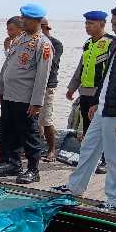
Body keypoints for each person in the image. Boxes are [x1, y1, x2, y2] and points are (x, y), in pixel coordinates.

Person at [53, 3, 116, 212]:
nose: (114, 28)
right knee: (89, 148)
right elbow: (108, 77)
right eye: (113, 24)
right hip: (104, 108)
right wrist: (98, 102)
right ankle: (75, 187)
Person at [0, 3, 53, 184]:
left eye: (26, 19)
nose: (23, 21)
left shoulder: (43, 44)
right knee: (8, 131)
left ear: (37, 21)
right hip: (9, 95)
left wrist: (37, 102)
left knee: (29, 134)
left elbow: (43, 76)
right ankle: (13, 163)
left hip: (25, 97)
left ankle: (33, 170)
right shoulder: (19, 39)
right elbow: (7, 66)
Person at [66, 10, 115, 174]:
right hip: (85, 93)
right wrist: (72, 87)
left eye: (91, 23)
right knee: (88, 129)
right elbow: (81, 67)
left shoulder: (110, 43)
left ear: (102, 24)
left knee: (103, 128)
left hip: (101, 93)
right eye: (86, 23)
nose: (87, 26)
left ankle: (105, 160)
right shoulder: (88, 43)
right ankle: (90, 159)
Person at [39, 18, 64, 161]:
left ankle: (51, 150)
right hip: (31, 85)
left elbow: (51, 63)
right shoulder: (33, 42)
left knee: (46, 119)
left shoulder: (55, 44)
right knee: (31, 119)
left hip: (48, 85)